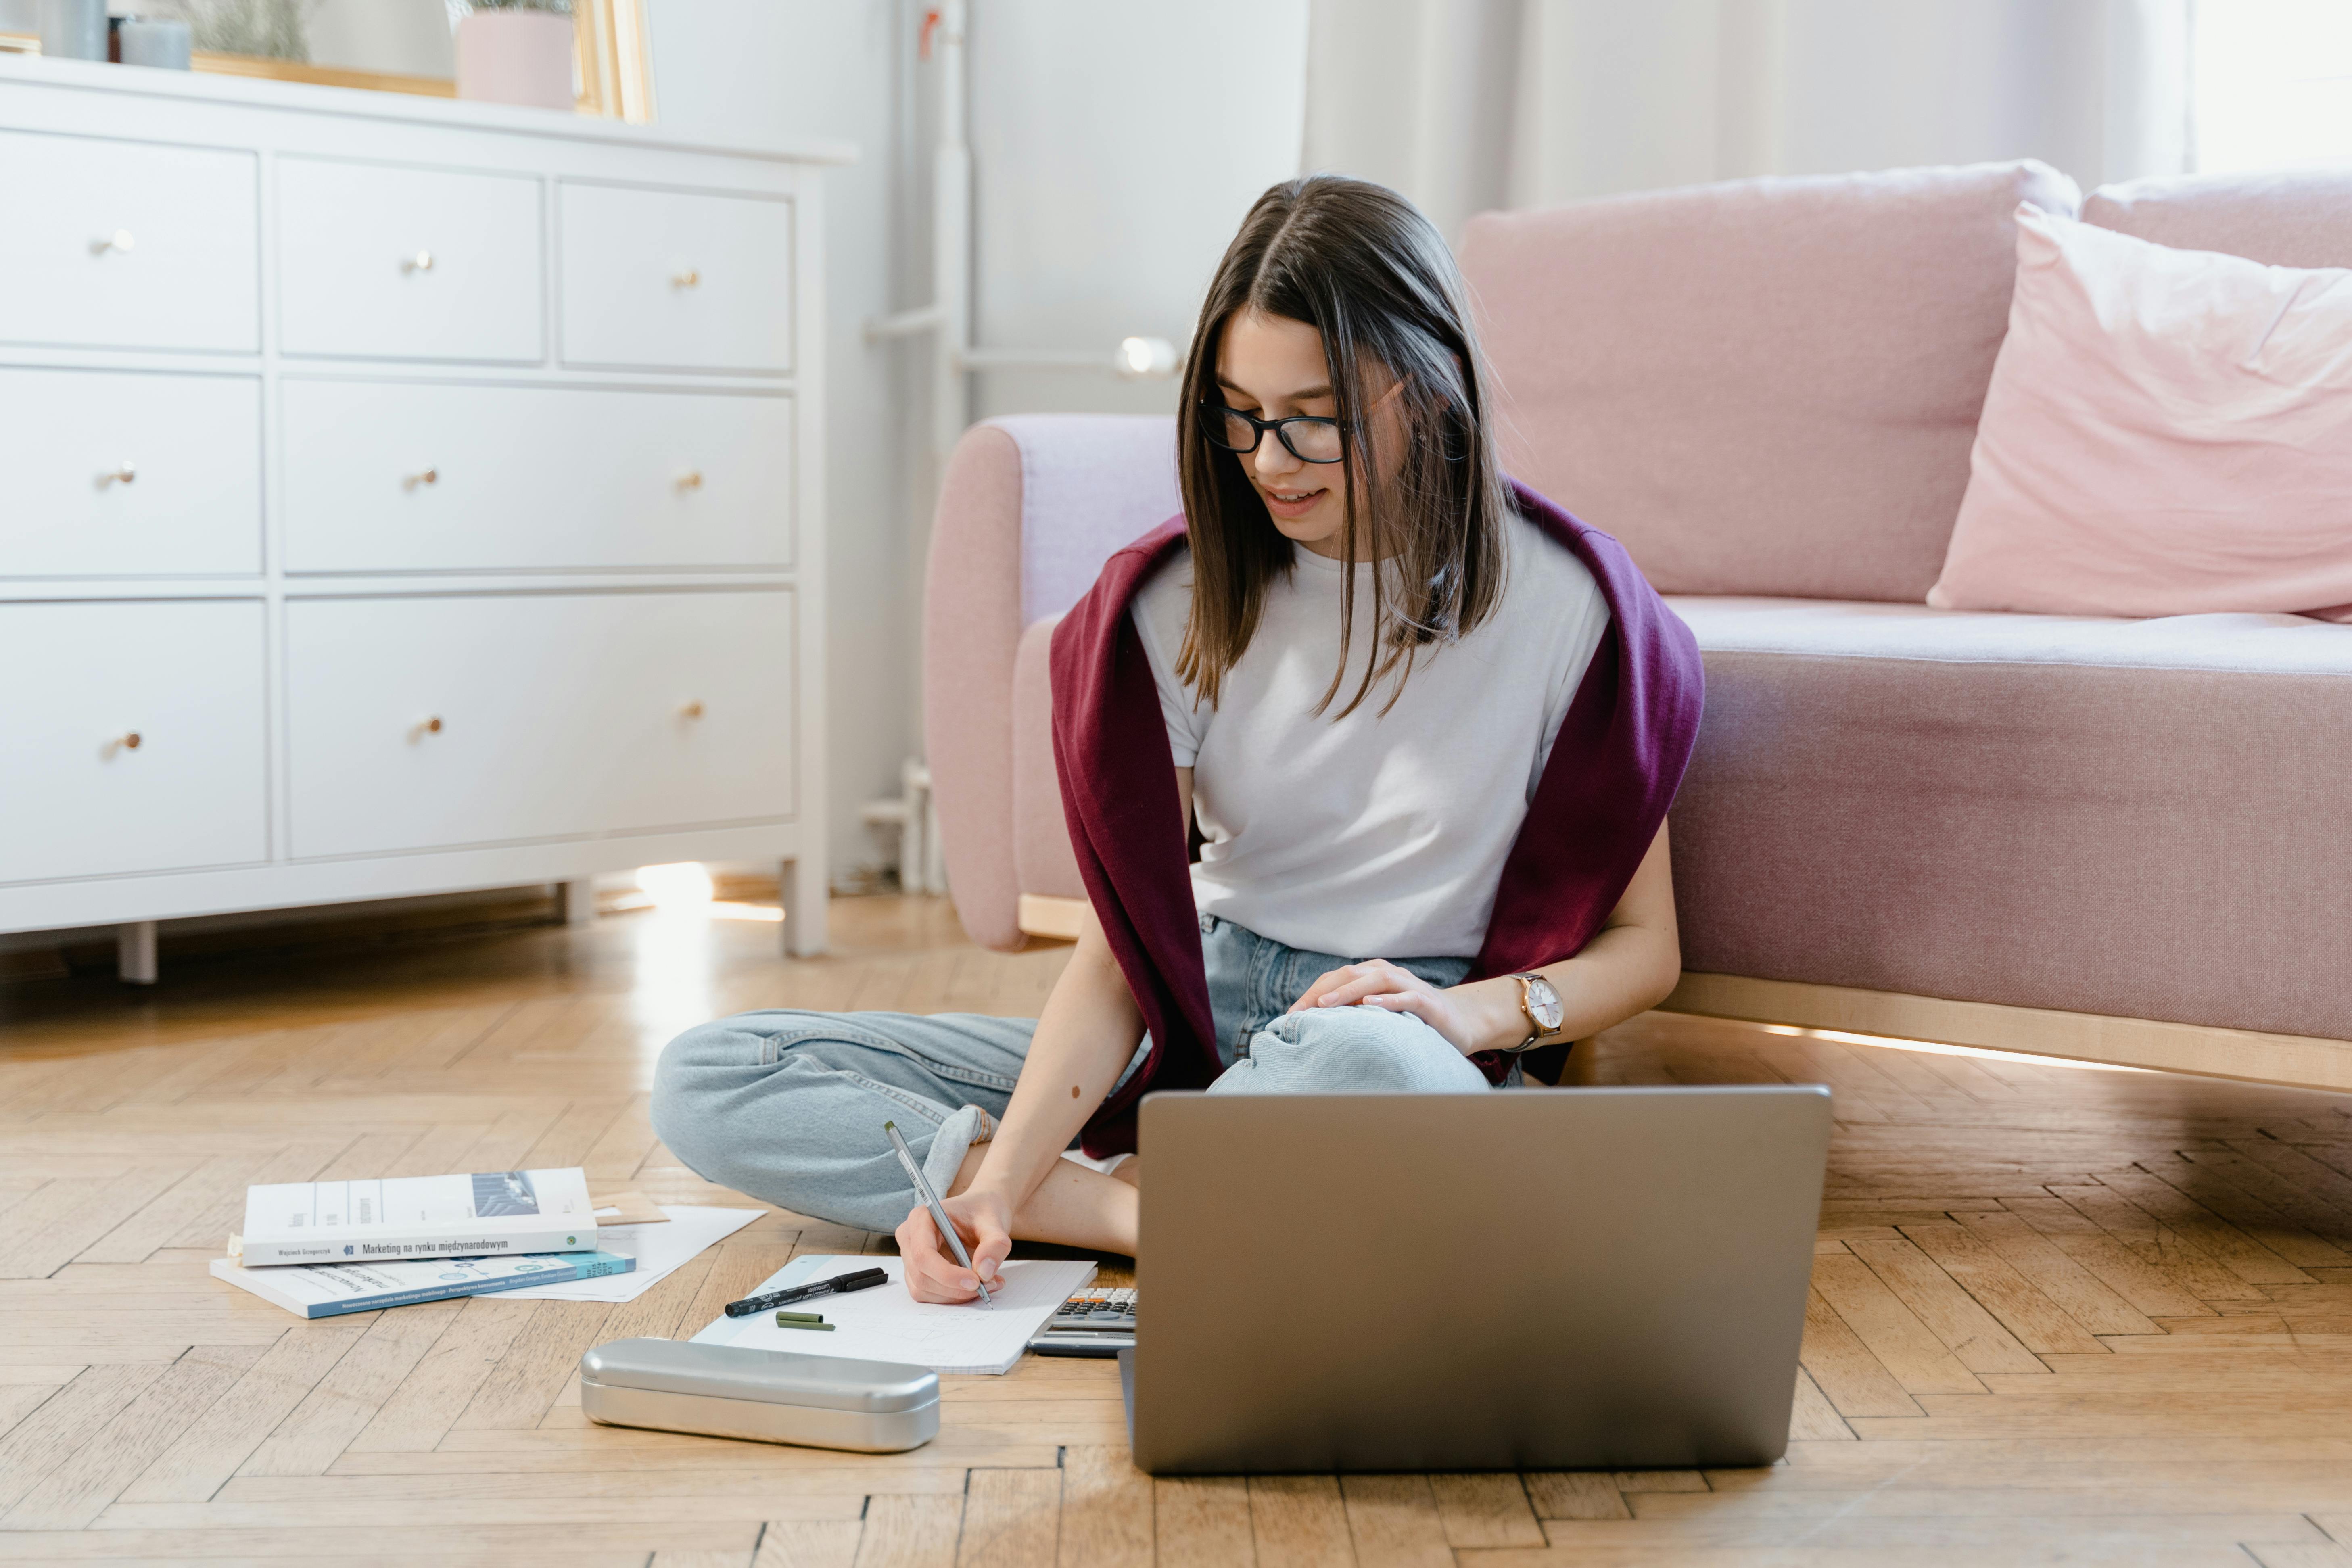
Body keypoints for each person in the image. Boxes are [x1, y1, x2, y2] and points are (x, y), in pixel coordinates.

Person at [651, 174, 1704, 1304]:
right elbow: (1122, 958)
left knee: (1371, 1071)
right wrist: (1006, 1184)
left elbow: (1647, 947)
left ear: (1428, 383)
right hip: (1193, 1019)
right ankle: (1134, 1209)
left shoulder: (1571, 608)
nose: (1269, 461)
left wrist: (1462, 1014)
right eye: (1239, 414)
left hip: (1389, 1041)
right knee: (712, 1075)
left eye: (1315, 418)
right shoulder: (1179, 602)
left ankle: (1181, 1179)